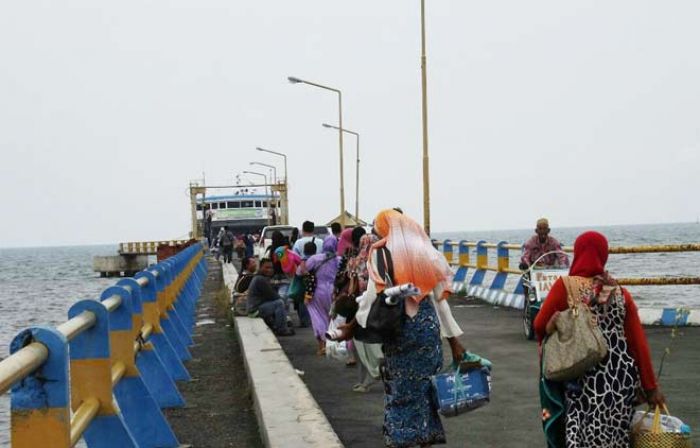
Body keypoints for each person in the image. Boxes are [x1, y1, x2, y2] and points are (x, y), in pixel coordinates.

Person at [534, 231, 664, 448]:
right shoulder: (620, 292)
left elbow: (539, 325)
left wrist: (553, 331)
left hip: (582, 379)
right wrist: (651, 387)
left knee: (581, 436)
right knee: (616, 438)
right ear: (603, 255)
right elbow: (637, 343)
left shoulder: (565, 287)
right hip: (620, 383)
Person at [355, 209, 466, 447]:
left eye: (377, 229)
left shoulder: (381, 253)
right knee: (425, 393)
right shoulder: (424, 253)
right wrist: (455, 343)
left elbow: (373, 296)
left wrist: (355, 323)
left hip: (400, 333)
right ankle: (424, 439)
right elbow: (440, 302)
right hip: (428, 334)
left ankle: (401, 440)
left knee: (401, 392)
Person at [297, 236, 339, 355]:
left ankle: (322, 346)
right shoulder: (339, 259)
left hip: (316, 290)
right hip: (333, 290)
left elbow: (300, 272)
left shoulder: (315, 259)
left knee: (318, 316)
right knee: (332, 317)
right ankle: (333, 345)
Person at [247, 259, 295, 336]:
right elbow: (274, 296)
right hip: (254, 311)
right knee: (279, 303)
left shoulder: (262, 278)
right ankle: (282, 329)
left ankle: (280, 324)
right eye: (267, 267)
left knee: (280, 301)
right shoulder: (260, 279)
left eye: (271, 268)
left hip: (259, 307)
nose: (270, 270)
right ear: (260, 267)